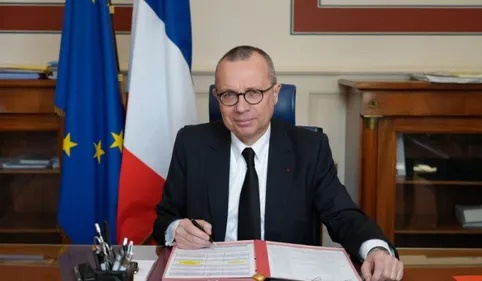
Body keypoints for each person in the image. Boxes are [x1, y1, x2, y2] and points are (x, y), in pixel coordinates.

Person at [153, 45, 404, 281]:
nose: (241, 107)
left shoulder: (309, 148)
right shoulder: (191, 143)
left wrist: (375, 249)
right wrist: (176, 229)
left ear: (275, 94)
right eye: (229, 95)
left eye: (254, 93)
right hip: (213, 275)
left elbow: (343, 215)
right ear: (217, 97)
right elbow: (164, 217)